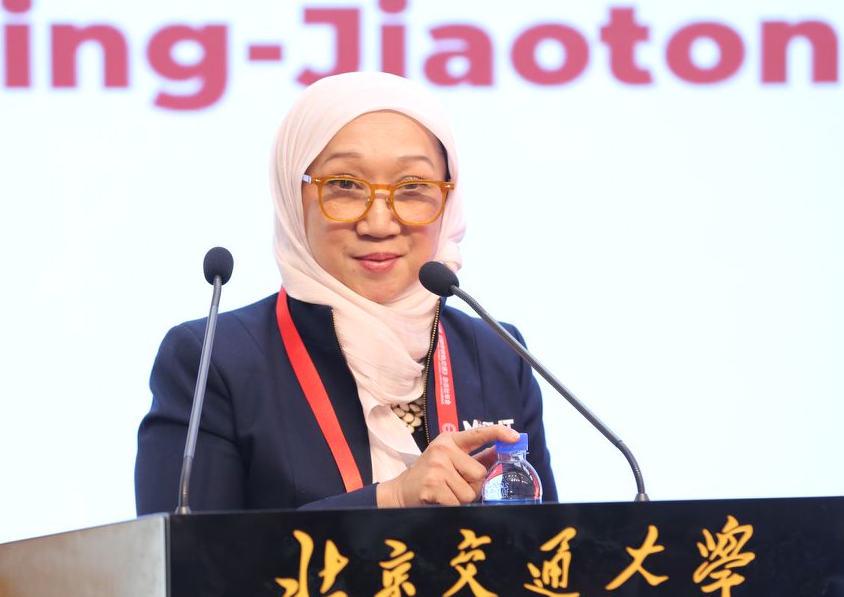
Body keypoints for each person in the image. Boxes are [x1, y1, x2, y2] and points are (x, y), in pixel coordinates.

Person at [134, 72, 556, 514]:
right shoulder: (212, 361)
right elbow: (187, 551)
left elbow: (552, 544)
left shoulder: (498, 354)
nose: (379, 224)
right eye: (345, 185)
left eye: (413, 188)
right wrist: (389, 499)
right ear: (292, 195)